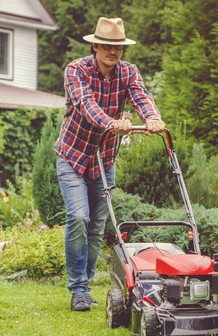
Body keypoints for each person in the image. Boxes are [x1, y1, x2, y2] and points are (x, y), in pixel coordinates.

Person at [54, 17, 165, 312]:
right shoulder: (76, 70)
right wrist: (110, 123)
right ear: (95, 45)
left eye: (118, 47)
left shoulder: (129, 72)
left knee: (96, 227)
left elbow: (141, 96)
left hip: (104, 159)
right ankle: (77, 289)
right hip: (73, 156)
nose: (112, 52)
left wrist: (152, 118)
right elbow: (85, 103)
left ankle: (85, 288)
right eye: (107, 45)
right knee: (78, 218)